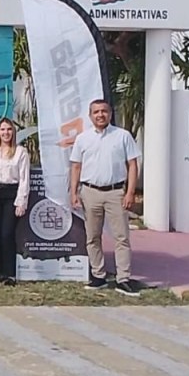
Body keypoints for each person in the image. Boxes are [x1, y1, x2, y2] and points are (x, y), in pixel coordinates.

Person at [69, 98, 144, 297]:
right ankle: (98, 276)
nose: (100, 115)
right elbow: (76, 166)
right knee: (92, 236)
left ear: (110, 114)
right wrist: (73, 192)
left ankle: (123, 279)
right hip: (90, 192)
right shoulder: (83, 139)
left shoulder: (122, 136)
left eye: (104, 111)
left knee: (121, 237)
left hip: (116, 192)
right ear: (90, 115)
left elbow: (133, 165)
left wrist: (130, 192)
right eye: (96, 112)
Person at [0, 117, 30, 286]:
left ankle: (11, 274)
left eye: (9, 129)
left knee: (7, 233)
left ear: (13, 132)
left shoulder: (20, 152)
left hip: (12, 193)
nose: (6, 133)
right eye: (2, 130)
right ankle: (2, 271)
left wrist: (21, 201)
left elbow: (24, 179)